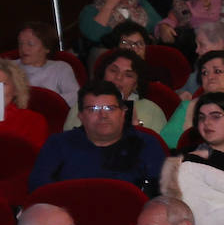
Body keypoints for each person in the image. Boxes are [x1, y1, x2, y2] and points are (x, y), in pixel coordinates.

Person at [28, 81, 165, 193]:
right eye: (93, 109)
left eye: (110, 108)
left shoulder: (147, 144)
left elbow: (160, 195)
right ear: (80, 115)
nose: (103, 115)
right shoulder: (57, 145)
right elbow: (40, 192)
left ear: (123, 112)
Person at [63, 51, 165, 134]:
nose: (118, 77)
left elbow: (156, 151)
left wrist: (135, 126)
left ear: (135, 85)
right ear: (103, 75)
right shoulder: (84, 105)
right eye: (113, 71)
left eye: (128, 75)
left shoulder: (151, 110)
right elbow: (68, 146)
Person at [78, 0, 164, 49]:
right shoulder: (90, 11)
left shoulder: (139, 2)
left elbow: (158, 24)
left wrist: (163, 27)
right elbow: (94, 35)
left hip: (143, 49)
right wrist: (109, 5)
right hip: (112, 52)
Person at [14, 21, 78, 108]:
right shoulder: (10, 68)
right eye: (20, 43)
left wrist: (45, 102)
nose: (24, 48)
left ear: (47, 47)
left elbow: (76, 96)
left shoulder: (60, 68)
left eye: (30, 44)